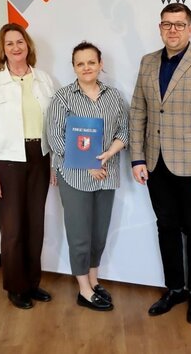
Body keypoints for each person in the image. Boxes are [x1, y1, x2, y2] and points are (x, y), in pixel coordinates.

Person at [130, 3, 191, 324]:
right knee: (166, 226)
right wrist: (137, 157)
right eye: (167, 24)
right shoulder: (147, 62)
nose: (173, 30)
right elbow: (138, 111)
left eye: (179, 24)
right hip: (154, 163)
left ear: (190, 29)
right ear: (160, 28)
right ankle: (174, 288)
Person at [0, 23, 55, 309]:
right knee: (13, 228)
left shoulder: (44, 79)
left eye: (20, 41)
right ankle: (16, 287)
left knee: (35, 225)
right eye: (9, 43)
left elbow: (55, 124)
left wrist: (54, 163)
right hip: (7, 161)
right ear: (2, 49)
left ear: (28, 45)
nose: (16, 47)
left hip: (39, 156)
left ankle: (32, 283)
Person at [47, 42, 129, 312]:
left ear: (100, 64)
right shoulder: (62, 98)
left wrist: (109, 153)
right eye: (80, 63)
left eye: (91, 62)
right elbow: (56, 138)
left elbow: (124, 131)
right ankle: (83, 289)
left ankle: (94, 280)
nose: (86, 68)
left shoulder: (114, 96)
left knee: (99, 234)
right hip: (75, 177)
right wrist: (87, 164)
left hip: (107, 174)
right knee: (80, 234)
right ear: (73, 67)